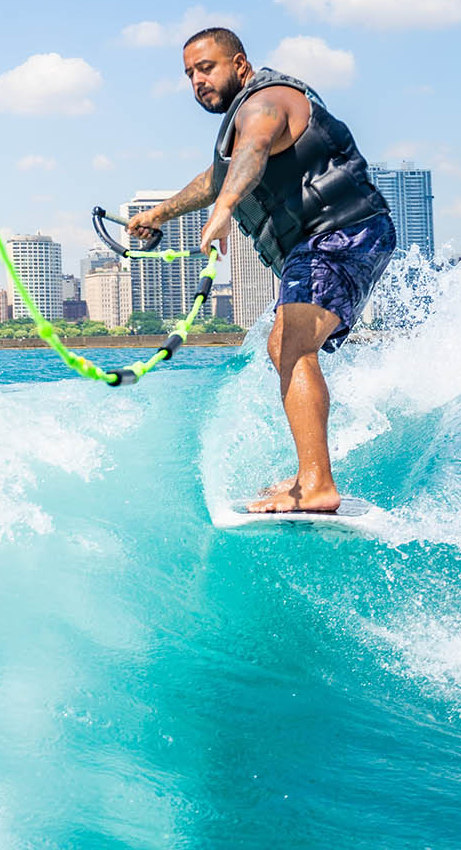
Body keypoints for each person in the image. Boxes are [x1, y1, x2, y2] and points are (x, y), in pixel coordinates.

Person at [126, 28, 395, 512]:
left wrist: (227, 208)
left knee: (290, 341)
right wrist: (160, 213)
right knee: (286, 343)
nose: (197, 82)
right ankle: (309, 473)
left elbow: (252, 149)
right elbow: (216, 176)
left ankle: (316, 484)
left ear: (240, 65)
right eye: (189, 74)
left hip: (343, 230)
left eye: (206, 68)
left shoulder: (266, 102)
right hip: (323, 242)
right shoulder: (241, 119)